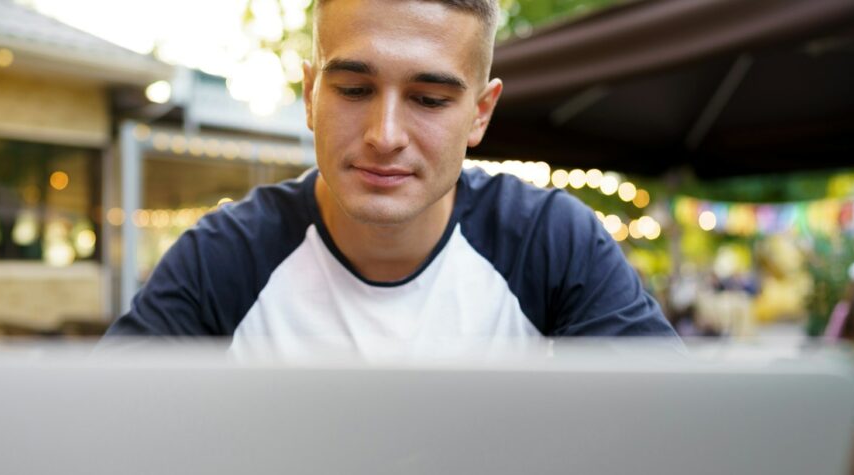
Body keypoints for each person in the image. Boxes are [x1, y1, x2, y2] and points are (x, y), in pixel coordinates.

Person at [105, 0, 677, 358]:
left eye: (429, 100)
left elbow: (673, 440)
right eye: (354, 90)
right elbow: (105, 440)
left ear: (480, 114)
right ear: (309, 95)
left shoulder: (550, 242)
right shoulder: (224, 257)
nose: (385, 134)